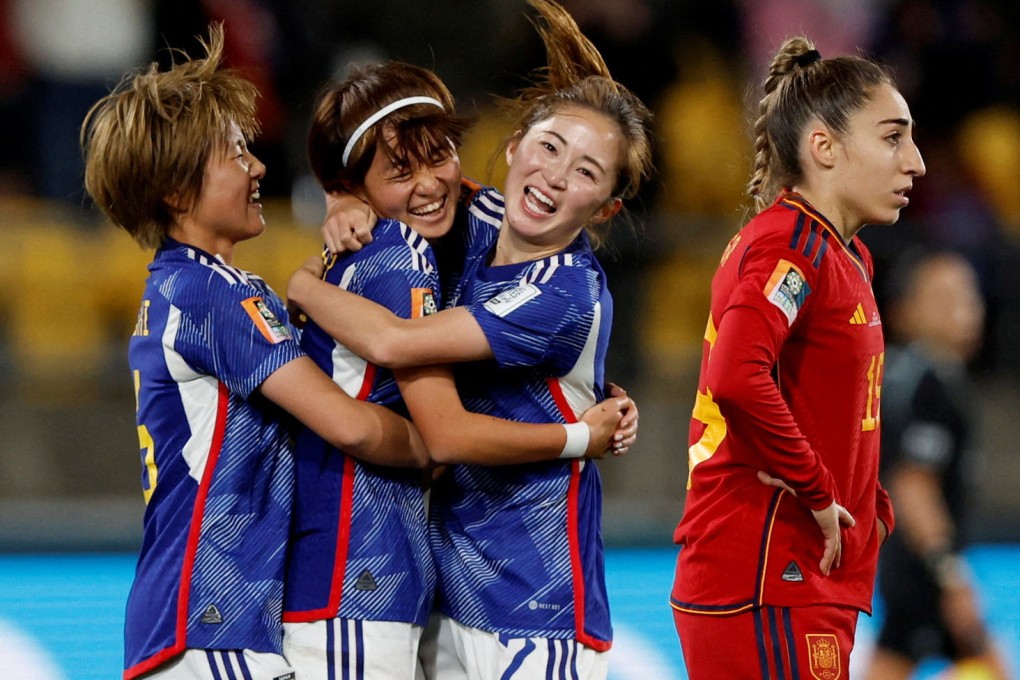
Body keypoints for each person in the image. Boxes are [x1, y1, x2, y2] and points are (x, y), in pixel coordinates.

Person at [285, 1, 653, 677]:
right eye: (549, 148)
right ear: (513, 147)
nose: (555, 176)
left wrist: (304, 285)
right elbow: (402, 178)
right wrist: (344, 198)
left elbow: (408, 365)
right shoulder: (475, 216)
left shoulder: (564, 291)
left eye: (586, 172)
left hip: (536, 607)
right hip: (449, 597)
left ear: (606, 208)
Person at [80, 24, 433, 680]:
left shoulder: (192, 286)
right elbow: (349, 425)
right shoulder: (210, 293)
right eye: (236, 154)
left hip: (198, 618)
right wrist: (439, 443)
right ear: (177, 191)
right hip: (208, 620)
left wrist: (335, 230)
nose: (258, 167)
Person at [669, 36, 925, 679]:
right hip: (764, 570)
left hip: (806, 573)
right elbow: (736, 375)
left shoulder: (847, 255)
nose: (916, 162)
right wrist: (817, 489)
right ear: (824, 148)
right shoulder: (792, 245)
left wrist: (872, 506)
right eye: (893, 138)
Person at [866, 250, 1011, 680]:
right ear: (905, 312)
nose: (965, 309)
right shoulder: (929, 385)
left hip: (910, 567)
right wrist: (951, 576)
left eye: (969, 295)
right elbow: (913, 485)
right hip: (923, 574)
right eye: (944, 298)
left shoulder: (913, 375)